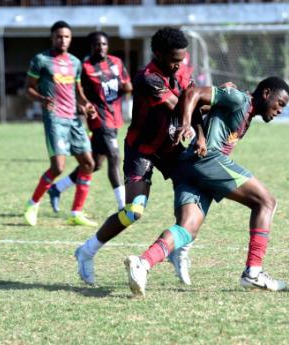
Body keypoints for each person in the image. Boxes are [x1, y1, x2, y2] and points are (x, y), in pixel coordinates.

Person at [124, 76, 289, 297]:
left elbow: (202, 105)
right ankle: (254, 271)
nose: (280, 110)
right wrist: (186, 123)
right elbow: (192, 93)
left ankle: (142, 264)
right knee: (267, 202)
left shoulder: (243, 109)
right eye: (280, 103)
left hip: (191, 165)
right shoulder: (240, 99)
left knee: (187, 229)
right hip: (207, 159)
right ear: (266, 93)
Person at [74, 27, 199, 286]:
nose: (179, 65)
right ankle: (86, 251)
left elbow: (194, 100)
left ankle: (179, 249)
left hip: (171, 149)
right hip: (142, 151)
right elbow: (181, 105)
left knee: (196, 193)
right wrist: (215, 100)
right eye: (174, 60)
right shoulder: (148, 78)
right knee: (133, 212)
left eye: (182, 60)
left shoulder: (182, 70)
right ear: (158, 54)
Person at [47, 31, 133, 213]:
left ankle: (57, 188)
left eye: (103, 44)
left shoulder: (116, 62)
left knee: (95, 163)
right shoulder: (85, 67)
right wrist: (82, 106)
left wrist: (126, 88)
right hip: (99, 119)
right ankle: (123, 205)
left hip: (115, 116)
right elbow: (76, 91)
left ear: (107, 46)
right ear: (91, 47)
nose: (100, 47)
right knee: (115, 157)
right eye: (96, 44)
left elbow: (127, 85)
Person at [23, 20, 98, 227]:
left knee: (88, 164)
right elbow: (28, 88)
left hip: (74, 119)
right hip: (55, 119)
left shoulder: (75, 62)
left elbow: (78, 91)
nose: (62, 40)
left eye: (66, 36)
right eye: (58, 36)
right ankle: (32, 204)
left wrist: (86, 105)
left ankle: (76, 212)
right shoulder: (41, 60)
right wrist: (41, 99)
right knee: (58, 167)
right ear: (52, 37)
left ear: (70, 38)